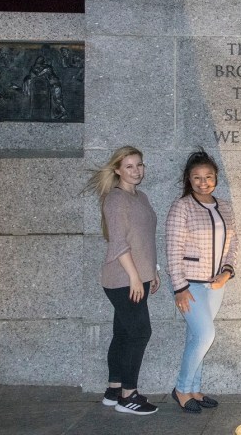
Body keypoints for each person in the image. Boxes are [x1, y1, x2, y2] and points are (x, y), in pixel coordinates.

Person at [84, 146, 160, 416]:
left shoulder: (141, 196)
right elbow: (118, 244)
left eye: (139, 165)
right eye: (129, 166)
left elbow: (142, 240)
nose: (136, 170)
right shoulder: (116, 200)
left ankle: (113, 389)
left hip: (137, 277)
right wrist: (135, 277)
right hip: (122, 279)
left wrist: (153, 271)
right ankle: (128, 395)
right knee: (140, 332)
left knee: (124, 333)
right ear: (117, 169)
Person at [166, 150, 239, 414]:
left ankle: (195, 389)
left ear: (216, 178)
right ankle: (181, 389)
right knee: (206, 334)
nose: (203, 182)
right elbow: (173, 250)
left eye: (208, 176)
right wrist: (180, 288)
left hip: (216, 285)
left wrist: (227, 273)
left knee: (198, 337)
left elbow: (233, 245)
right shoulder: (182, 207)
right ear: (189, 179)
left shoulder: (225, 207)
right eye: (197, 177)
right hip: (191, 285)